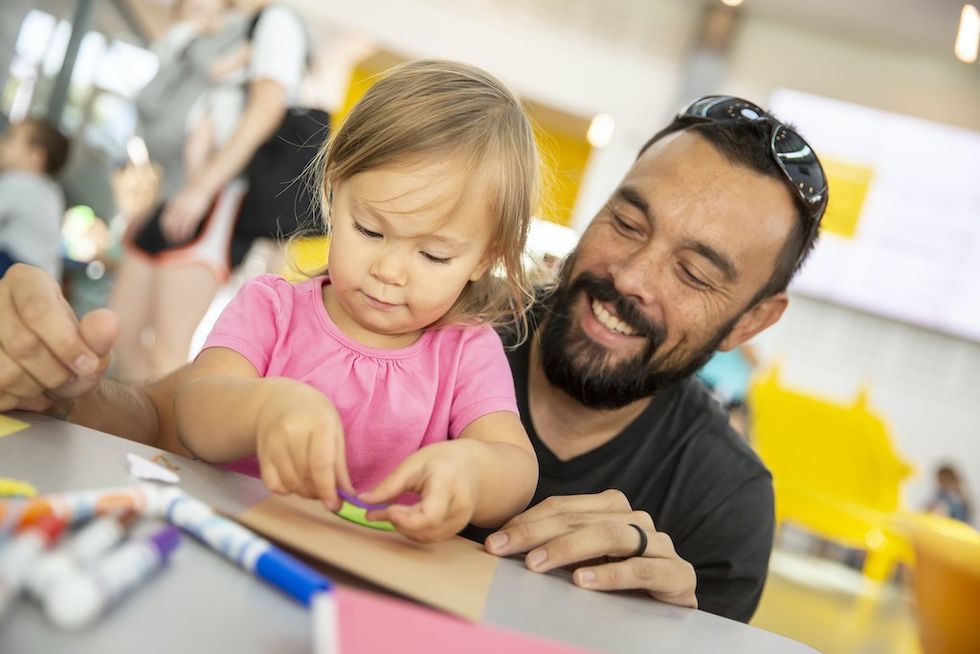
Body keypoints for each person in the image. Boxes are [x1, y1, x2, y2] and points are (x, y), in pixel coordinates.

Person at [0, 95, 828, 623]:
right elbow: (168, 410)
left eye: (693, 271)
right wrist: (63, 382)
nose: (631, 278)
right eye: (628, 222)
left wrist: (660, 629)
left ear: (753, 321)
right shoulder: (459, 316)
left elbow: (505, 467)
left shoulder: (726, 506)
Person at [174, 60, 540, 542]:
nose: (389, 271)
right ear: (333, 190)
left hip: (375, 577)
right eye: (369, 230)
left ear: (482, 259)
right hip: (233, 540)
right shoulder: (272, 309)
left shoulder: (466, 352)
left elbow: (515, 470)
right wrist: (264, 408)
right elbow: (193, 411)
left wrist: (472, 471)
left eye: (433, 254)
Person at [111, 0, 313, 381]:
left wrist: (202, 188)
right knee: (122, 338)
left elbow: (266, 106)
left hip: (216, 195)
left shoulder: (274, 23)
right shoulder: (218, 26)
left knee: (166, 349)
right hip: (172, 192)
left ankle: (155, 440)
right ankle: (128, 433)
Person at [0, 118, 70, 279]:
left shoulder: (18, 181)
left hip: (15, 266)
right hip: (44, 276)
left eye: (10, 137)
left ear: (36, 156)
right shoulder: (53, 191)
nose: (2, 142)